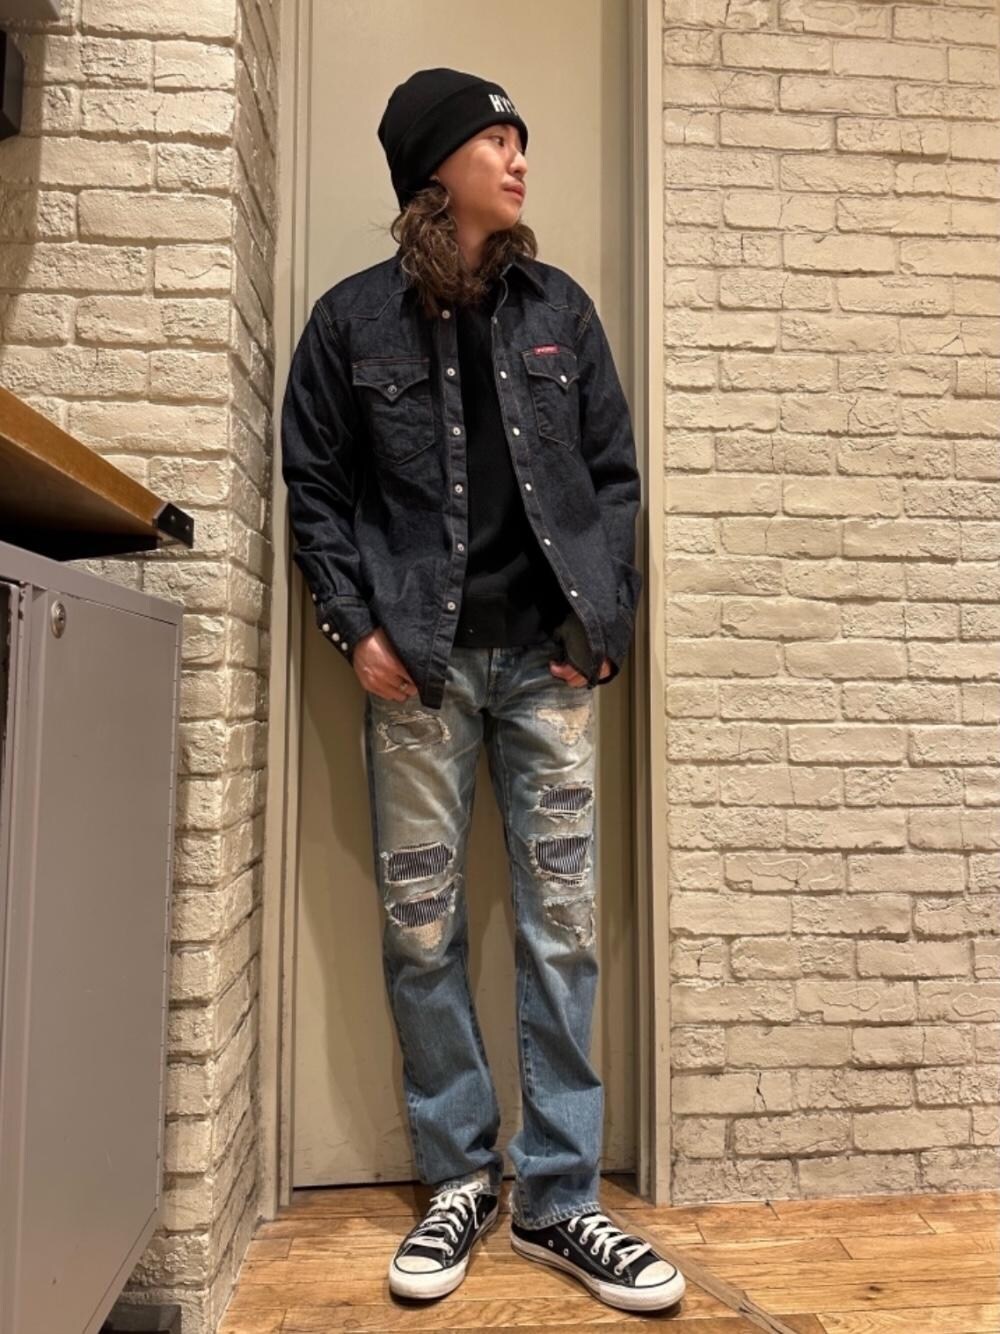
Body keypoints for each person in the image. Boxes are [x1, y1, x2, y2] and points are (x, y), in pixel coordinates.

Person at [280, 66, 686, 1316]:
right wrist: (352, 626)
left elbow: (614, 479)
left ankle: (560, 1196)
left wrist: (604, 625)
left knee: (563, 928)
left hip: (548, 668)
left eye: (521, 140)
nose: (518, 159)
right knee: (421, 926)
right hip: (419, 674)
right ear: (433, 165)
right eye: (495, 139)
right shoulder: (351, 322)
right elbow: (313, 486)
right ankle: (459, 1175)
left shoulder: (560, 310)